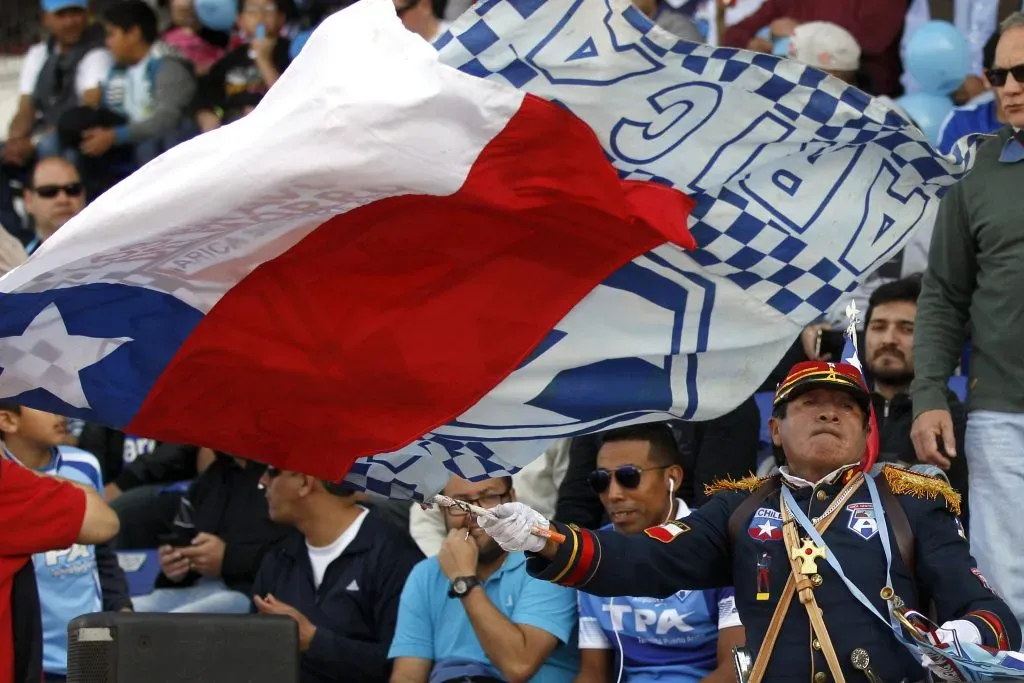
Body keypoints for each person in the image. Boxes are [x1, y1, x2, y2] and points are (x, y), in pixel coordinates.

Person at [478, 361, 1021, 681]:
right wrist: (543, 537)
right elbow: (642, 558)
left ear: (865, 429)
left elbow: (989, 611)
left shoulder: (912, 503)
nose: (830, 412)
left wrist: (965, 633)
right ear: (777, 428)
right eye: (810, 404)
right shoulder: (737, 509)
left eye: (846, 406)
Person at [912, 11, 1024, 636]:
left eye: (1022, 72)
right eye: (998, 73)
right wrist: (930, 392)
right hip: (1001, 412)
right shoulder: (976, 169)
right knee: (1006, 592)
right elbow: (944, 294)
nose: (1008, 86)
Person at [573, 423, 744, 683]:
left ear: (672, 478)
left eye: (629, 476)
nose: (613, 494)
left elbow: (737, 669)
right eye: (601, 480)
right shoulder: (593, 551)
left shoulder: (720, 542)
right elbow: (592, 674)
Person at [389, 475, 579, 683]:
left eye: (488, 497)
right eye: (458, 503)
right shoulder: (425, 574)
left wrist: (464, 580)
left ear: (511, 500)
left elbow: (518, 667)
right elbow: (407, 675)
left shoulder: (546, 565)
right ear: (443, 510)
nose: (474, 513)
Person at [251, 466, 423, 683]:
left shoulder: (394, 555)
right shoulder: (278, 558)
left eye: (273, 471)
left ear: (305, 482)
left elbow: (404, 666)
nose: (263, 480)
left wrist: (314, 641)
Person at [0, 401, 132, 683]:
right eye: (43, 406)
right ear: (8, 421)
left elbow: (104, 549)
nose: (60, 415)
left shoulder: (84, 463)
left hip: (90, 641)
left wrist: (120, 603)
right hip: (38, 651)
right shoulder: (7, 483)